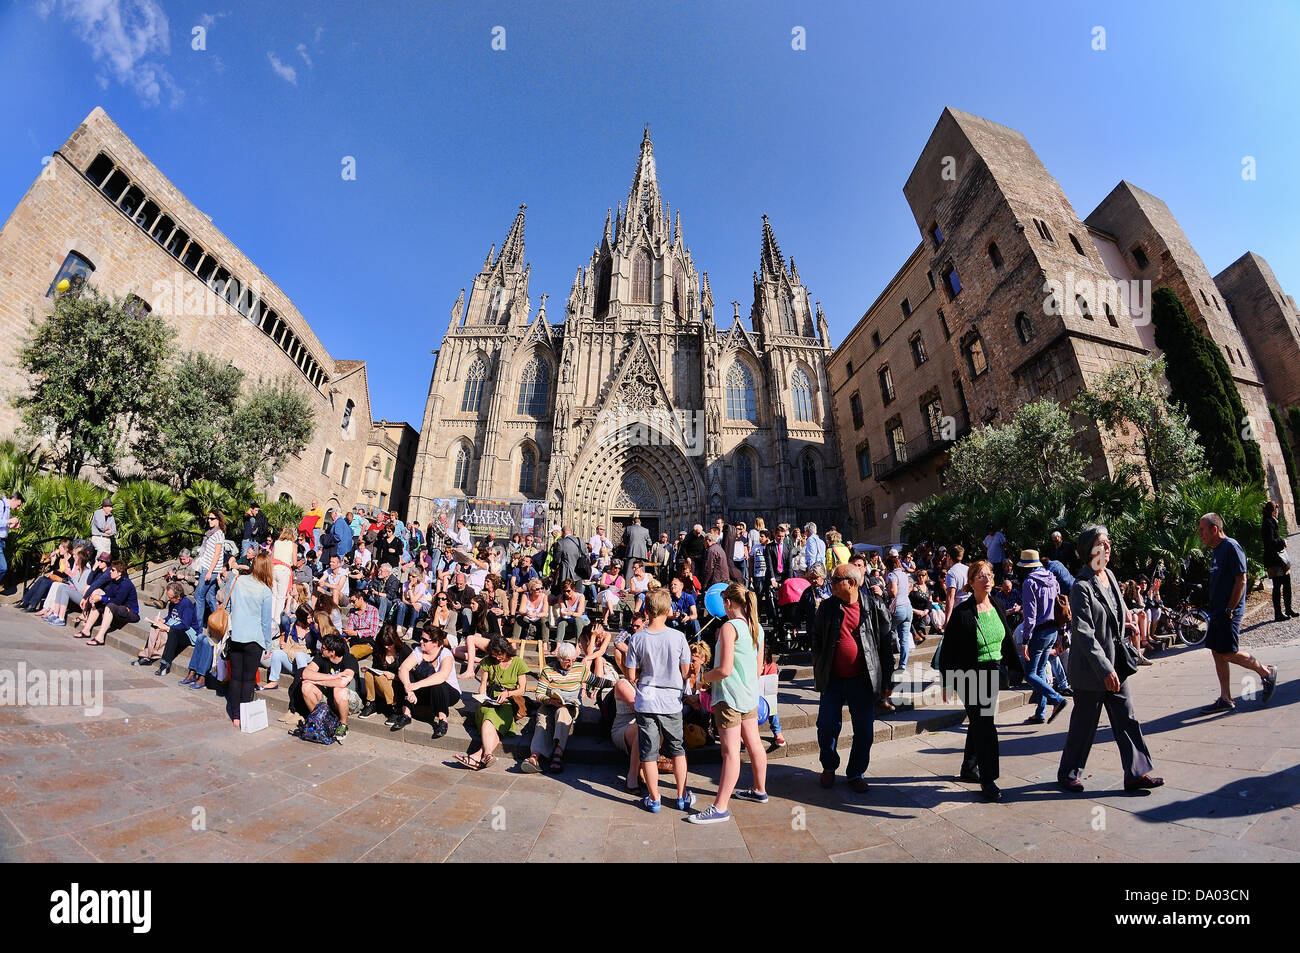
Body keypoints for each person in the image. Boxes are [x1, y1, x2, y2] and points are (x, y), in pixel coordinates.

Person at [1058, 525, 1163, 793]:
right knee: (1084, 726)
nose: (1108, 546)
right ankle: (1068, 774)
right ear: (1090, 550)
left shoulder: (1110, 575)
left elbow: (1117, 607)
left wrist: (1126, 622)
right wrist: (1104, 668)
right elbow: (1083, 632)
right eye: (1103, 543)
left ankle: (1136, 773)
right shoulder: (1081, 586)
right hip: (1092, 670)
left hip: (1116, 663)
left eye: (1108, 542)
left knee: (1126, 718)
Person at [936, 560, 1019, 801]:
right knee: (985, 726)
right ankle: (988, 778)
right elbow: (948, 651)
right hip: (969, 674)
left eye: (990, 574)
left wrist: (1016, 667)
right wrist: (947, 683)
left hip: (992, 672)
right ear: (970, 582)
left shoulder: (997, 604)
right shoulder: (963, 613)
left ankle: (968, 767)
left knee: (978, 721)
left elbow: (1007, 640)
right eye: (981, 575)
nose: (987, 578)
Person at [688, 583, 768, 823]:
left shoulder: (728, 628)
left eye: (724, 601)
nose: (722, 606)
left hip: (729, 697)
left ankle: (720, 806)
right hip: (749, 694)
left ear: (730, 603)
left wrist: (703, 678)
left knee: (730, 752)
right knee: (754, 743)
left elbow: (723, 669)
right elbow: (757, 669)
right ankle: (759, 789)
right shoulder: (757, 628)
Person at [810, 564, 893, 792]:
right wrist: (819, 662)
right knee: (826, 727)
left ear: (852, 583)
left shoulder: (874, 606)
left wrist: (887, 681)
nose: (831, 583)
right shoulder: (827, 607)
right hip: (833, 679)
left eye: (836, 580)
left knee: (864, 731)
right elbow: (816, 638)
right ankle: (829, 767)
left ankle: (856, 772)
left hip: (863, 679)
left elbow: (886, 647)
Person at [1197, 513, 1279, 713]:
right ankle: (1225, 698)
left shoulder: (1231, 547)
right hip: (1217, 611)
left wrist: (1229, 609)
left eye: (1202, 530)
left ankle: (1266, 672)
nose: (1200, 535)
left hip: (1228, 611)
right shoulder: (1216, 551)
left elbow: (1241, 580)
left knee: (1228, 652)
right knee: (1216, 652)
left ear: (1214, 529)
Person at [624, 589, 695, 813]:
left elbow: (630, 675)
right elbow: (685, 671)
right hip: (671, 700)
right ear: (668, 611)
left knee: (649, 751)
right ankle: (682, 796)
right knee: (677, 749)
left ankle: (655, 799)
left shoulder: (637, 638)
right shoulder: (678, 637)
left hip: (647, 699)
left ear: (646, 611)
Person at [456, 634, 528, 769]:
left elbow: (522, 690)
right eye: (494, 655)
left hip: (509, 700)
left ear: (506, 650)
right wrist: (482, 694)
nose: (497, 658)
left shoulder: (518, 663)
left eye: (499, 654)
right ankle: (486, 754)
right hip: (490, 699)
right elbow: (483, 684)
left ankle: (478, 756)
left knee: (494, 718)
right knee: (488, 715)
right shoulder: (488, 661)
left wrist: (508, 693)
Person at [1016, 550, 1069, 725]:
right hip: (1053, 629)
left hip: (1038, 632)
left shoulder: (1029, 582)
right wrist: (1061, 633)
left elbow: (1030, 615)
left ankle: (1057, 699)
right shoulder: (1052, 578)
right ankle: (1040, 712)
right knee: (1040, 671)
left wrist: (1025, 639)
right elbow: (1060, 606)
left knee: (1030, 674)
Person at [523, 641, 590, 773]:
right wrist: (550, 701)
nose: (570, 663)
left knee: (562, 713)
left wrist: (616, 684)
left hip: (570, 706)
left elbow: (595, 680)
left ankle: (558, 752)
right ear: (559, 658)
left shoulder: (579, 669)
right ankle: (535, 756)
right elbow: (539, 694)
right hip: (549, 704)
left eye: (573, 660)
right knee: (542, 722)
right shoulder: (548, 670)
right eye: (567, 660)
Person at [225, 552, 275, 727]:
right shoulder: (265, 591)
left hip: (237, 635)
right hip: (255, 639)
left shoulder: (237, 581)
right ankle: (245, 715)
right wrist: (268, 645)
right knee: (248, 680)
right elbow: (266, 622)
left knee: (235, 677)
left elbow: (227, 604)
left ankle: (236, 715)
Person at [392, 623, 460, 737]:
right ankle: (406, 714)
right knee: (406, 675)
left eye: (425, 640)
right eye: (421, 638)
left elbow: (442, 676)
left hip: (448, 693)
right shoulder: (419, 650)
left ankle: (443, 720)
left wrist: (417, 685)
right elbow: (403, 668)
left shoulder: (445, 653)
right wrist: (409, 689)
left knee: (438, 683)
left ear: (435, 643)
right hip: (425, 691)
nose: (421, 641)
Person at [290, 631, 359, 738]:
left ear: (332, 652)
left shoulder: (349, 659)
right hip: (329, 696)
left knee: (338, 690)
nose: (321, 649)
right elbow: (306, 673)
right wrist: (334, 676)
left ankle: (343, 724)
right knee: (306, 686)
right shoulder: (321, 656)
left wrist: (316, 680)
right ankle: (319, 719)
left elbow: (342, 682)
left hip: (349, 700)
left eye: (324, 648)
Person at [78, 559, 139, 644]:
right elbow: (108, 595)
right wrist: (97, 598)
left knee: (109, 605)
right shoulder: (114, 581)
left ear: (119, 573)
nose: (110, 572)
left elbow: (117, 601)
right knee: (98, 603)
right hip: (119, 608)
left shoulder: (126, 583)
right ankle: (86, 630)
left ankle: (100, 638)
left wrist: (101, 598)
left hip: (131, 612)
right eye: (111, 569)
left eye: (113, 570)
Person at [144, 582, 199, 677]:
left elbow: (185, 625)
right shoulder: (172, 602)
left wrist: (169, 627)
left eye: (171, 597)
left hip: (189, 633)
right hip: (175, 625)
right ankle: (147, 655)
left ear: (178, 596)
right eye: (168, 597)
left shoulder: (187, 604)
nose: (169, 599)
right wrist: (163, 620)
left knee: (172, 633)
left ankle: (165, 663)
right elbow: (170, 616)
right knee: (155, 626)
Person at [358, 623, 410, 719]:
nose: (386, 647)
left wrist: (394, 676)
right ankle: (371, 703)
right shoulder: (379, 650)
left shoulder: (404, 651)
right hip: (382, 684)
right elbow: (376, 667)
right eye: (384, 644)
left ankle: (394, 706)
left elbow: (410, 676)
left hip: (398, 685)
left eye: (389, 644)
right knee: (369, 673)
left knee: (380, 677)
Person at [263, 605, 316, 689]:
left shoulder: (313, 628)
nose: (311, 620)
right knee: (277, 653)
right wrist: (284, 644)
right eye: (308, 618)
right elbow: (285, 644)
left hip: (306, 662)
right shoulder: (291, 627)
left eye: (311, 617)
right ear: (301, 618)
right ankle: (273, 681)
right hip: (291, 659)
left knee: (300, 655)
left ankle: (303, 683)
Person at [1261, 499, 1295, 622]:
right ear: (1274, 510)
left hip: (1278, 560)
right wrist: (1283, 542)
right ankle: (1278, 613)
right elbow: (1271, 542)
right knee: (1277, 586)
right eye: (1277, 509)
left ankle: (1288, 609)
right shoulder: (1268, 523)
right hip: (1274, 561)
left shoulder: (1270, 522)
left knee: (1286, 583)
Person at [194, 511, 227, 628]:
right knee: (209, 596)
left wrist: (209, 572)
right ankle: (218, 623)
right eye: (208, 518)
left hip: (210, 570)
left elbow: (217, 554)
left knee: (198, 596)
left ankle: (197, 627)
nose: (209, 520)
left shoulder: (218, 534)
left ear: (218, 520)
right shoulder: (211, 533)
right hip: (208, 568)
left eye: (212, 518)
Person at [885, 553, 914, 672]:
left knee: (886, 632)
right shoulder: (904, 574)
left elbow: (893, 592)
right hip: (908, 607)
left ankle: (889, 660)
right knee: (904, 638)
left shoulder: (892, 575)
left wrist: (885, 592)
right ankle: (902, 664)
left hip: (898, 608)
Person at [342, 590, 380, 660]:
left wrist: (356, 633)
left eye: (353, 601)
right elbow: (350, 626)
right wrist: (348, 632)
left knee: (350, 654)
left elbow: (373, 631)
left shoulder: (373, 610)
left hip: (368, 642)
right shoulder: (352, 611)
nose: (352, 604)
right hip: (354, 639)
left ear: (361, 599)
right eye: (350, 602)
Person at [513, 577, 550, 643]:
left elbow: (545, 612)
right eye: (537, 589)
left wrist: (535, 615)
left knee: (544, 620)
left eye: (541, 588)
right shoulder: (525, 595)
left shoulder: (544, 597)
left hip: (538, 618)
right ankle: (514, 640)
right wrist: (526, 613)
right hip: (528, 617)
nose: (540, 590)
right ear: (531, 590)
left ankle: (545, 643)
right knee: (519, 617)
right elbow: (521, 610)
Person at [271, 527, 296, 623]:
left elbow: (271, 557)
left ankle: (271, 618)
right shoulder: (293, 545)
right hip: (284, 570)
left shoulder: (276, 543)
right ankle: (277, 621)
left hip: (274, 568)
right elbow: (294, 562)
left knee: (273, 595)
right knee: (281, 597)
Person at [942, 544, 969, 631]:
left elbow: (950, 597)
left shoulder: (951, 573)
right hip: (972, 607)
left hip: (960, 611)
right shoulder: (968, 569)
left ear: (949, 557)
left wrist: (947, 620)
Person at [553, 578, 588, 644]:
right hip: (568, 620)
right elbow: (563, 613)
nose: (566, 593)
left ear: (573, 589)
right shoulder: (561, 597)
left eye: (568, 591)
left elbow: (579, 614)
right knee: (561, 623)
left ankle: (578, 644)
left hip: (580, 620)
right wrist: (563, 613)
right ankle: (558, 645)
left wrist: (570, 613)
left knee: (577, 620)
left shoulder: (580, 597)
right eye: (564, 591)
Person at [0, 490, 21, 591]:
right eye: (18, 505)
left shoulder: (7, 509)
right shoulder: (1, 504)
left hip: (2, 542)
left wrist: (11, 527)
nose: (18, 508)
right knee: (3, 568)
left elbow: (3, 526)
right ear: (14, 499)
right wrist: (9, 521)